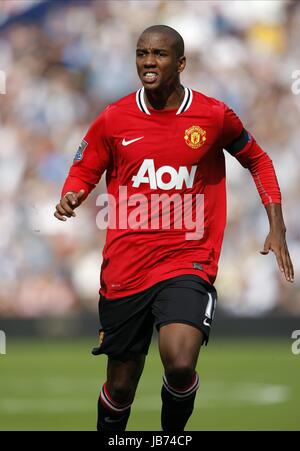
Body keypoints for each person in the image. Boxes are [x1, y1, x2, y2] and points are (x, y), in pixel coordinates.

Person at [54, 25, 294, 431]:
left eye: (159, 54)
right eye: (142, 53)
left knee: (181, 364)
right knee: (121, 385)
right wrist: (72, 194)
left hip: (187, 260)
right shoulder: (114, 118)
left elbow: (258, 159)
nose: (149, 62)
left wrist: (277, 223)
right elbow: (85, 167)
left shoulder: (213, 115)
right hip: (126, 267)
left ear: (180, 63)